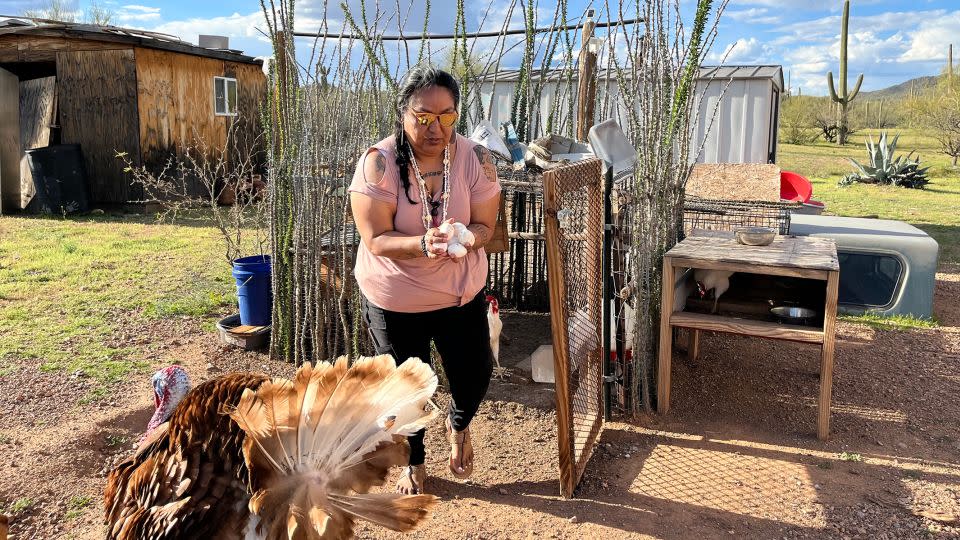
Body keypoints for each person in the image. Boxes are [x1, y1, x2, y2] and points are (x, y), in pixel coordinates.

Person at [348, 65, 501, 495]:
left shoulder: (476, 158)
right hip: (395, 298)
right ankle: (413, 461)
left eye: (447, 116)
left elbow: (488, 225)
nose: (437, 128)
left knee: (473, 375)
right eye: (424, 117)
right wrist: (421, 244)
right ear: (403, 113)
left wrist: (467, 239)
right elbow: (375, 238)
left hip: (459, 295)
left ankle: (460, 424)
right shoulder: (378, 163)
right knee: (405, 390)